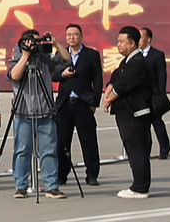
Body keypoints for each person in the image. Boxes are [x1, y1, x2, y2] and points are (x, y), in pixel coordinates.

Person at [8, 29, 64, 198]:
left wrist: (55, 44)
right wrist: (25, 56)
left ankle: (51, 185)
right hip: (23, 112)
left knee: (49, 150)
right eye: (30, 42)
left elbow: (67, 60)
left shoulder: (46, 60)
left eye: (36, 42)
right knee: (22, 150)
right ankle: (21, 185)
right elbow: (14, 76)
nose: (34, 46)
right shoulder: (18, 57)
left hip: (45, 112)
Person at [103, 26, 156, 198]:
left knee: (137, 148)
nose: (118, 45)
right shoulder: (127, 61)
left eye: (121, 42)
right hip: (126, 112)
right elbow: (117, 77)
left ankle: (140, 187)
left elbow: (124, 85)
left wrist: (109, 98)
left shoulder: (138, 61)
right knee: (132, 147)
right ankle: (138, 183)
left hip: (135, 113)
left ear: (132, 43)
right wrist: (109, 88)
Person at [53, 23, 102, 187]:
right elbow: (53, 75)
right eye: (68, 35)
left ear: (81, 36)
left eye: (75, 34)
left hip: (83, 103)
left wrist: (94, 101)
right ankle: (62, 175)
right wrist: (63, 74)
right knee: (62, 142)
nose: (71, 37)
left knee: (88, 141)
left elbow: (98, 80)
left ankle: (92, 174)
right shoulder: (60, 55)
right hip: (64, 104)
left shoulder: (91, 55)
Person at [139, 27, 170, 159]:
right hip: (140, 96)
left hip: (153, 95)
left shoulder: (157, 55)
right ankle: (146, 150)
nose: (138, 40)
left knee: (157, 123)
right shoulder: (135, 55)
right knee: (143, 125)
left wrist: (161, 94)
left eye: (141, 37)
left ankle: (164, 148)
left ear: (148, 39)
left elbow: (162, 75)